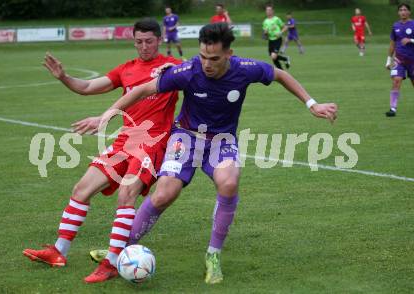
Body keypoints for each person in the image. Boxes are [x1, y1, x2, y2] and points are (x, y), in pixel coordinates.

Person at [80, 23, 338, 284]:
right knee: (164, 194)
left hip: (222, 141)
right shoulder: (189, 71)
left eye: (214, 58)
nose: (206, 64)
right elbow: (142, 89)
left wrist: (312, 104)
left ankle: (213, 256)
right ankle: (119, 249)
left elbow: (280, 74)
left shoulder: (245, 69)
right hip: (186, 137)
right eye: (203, 56)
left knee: (229, 182)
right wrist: (106, 116)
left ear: (229, 54)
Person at [22, 18, 181, 283]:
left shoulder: (173, 67)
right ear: (134, 41)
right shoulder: (126, 70)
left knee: (126, 194)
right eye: (139, 42)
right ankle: (58, 251)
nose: (144, 47)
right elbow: (87, 87)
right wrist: (64, 77)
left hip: (152, 143)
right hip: (124, 141)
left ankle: (112, 262)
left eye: (149, 42)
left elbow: (202, 77)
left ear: (160, 40)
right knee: (81, 189)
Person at [385, 3, 414, 117]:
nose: (403, 12)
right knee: (396, 80)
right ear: (398, 12)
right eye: (401, 10)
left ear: (409, 12)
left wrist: (411, 40)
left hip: (412, 60)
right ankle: (393, 109)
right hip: (399, 60)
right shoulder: (395, 26)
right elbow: (392, 44)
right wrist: (388, 60)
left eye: (405, 10)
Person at [262, 5, 290, 69]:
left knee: (273, 56)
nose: (268, 11)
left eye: (269, 10)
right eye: (267, 10)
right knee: (273, 58)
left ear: (272, 11)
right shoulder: (265, 21)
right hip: (270, 40)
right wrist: (265, 33)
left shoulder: (276, 19)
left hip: (277, 39)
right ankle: (284, 64)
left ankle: (283, 69)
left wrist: (280, 32)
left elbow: (285, 27)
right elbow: (265, 33)